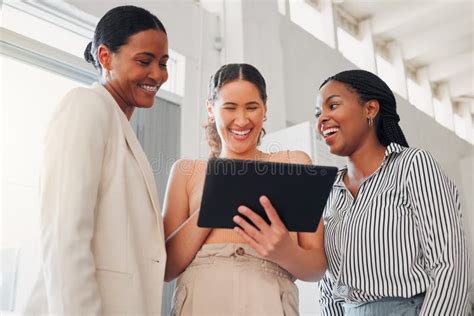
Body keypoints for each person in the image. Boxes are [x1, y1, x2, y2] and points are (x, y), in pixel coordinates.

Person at [27, 5, 169, 315]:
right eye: (145, 61)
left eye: (163, 63)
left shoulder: (120, 128)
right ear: (105, 57)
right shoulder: (85, 106)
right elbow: (66, 236)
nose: (158, 74)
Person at [163, 63, 327, 315]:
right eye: (229, 108)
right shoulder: (187, 172)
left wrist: (286, 252)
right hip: (201, 301)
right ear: (211, 109)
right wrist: (218, 200)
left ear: (265, 109)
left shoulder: (294, 163)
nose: (242, 120)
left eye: (252, 107)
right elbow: (166, 268)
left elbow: (316, 267)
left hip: (269, 301)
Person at [315, 69, 470, 315]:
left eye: (332, 106)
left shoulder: (413, 165)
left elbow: (449, 264)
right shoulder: (330, 191)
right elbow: (329, 287)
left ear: (370, 109)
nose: (322, 119)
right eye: (318, 113)